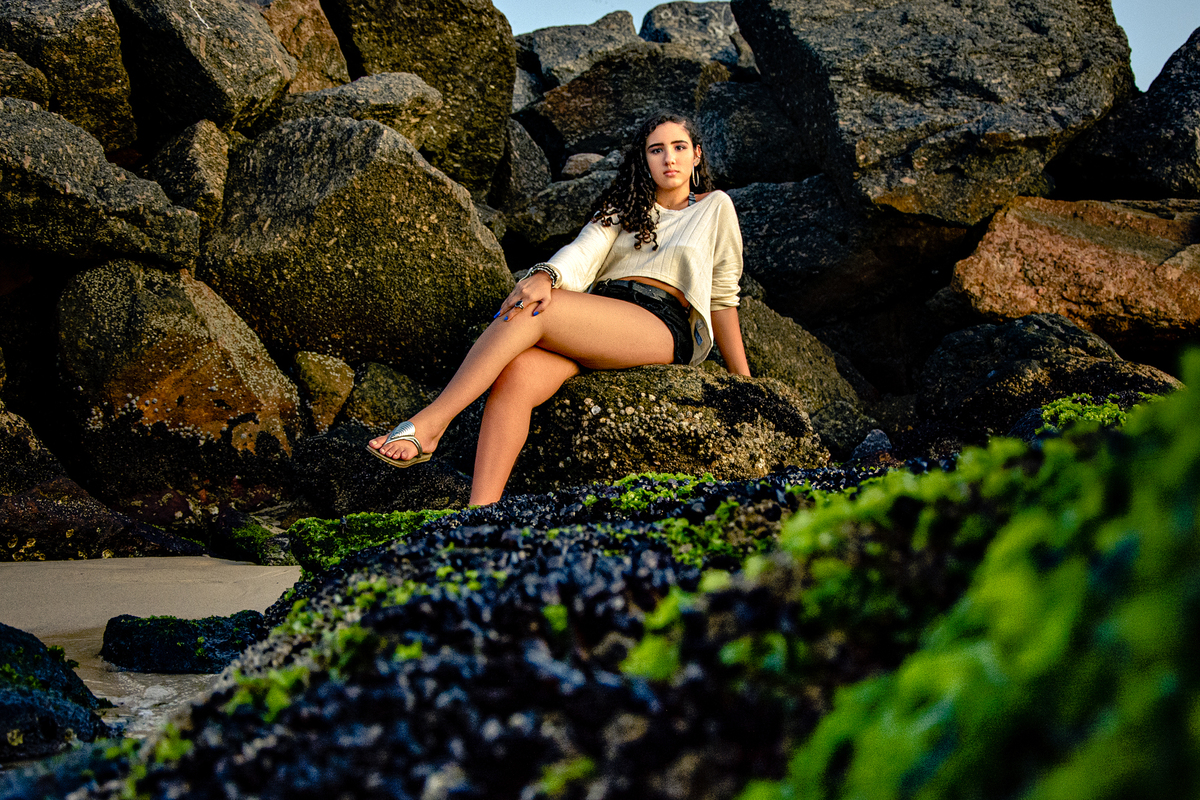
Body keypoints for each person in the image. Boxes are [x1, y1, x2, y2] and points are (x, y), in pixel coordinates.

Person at [367, 110, 751, 505]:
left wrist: (746, 382)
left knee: (537, 309)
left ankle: (431, 422)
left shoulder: (715, 207)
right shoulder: (624, 206)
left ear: (696, 155)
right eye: (657, 150)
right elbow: (583, 253)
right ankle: (479, 514)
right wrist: (547, 275)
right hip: (600, 316)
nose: (669, 158)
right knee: (516, 372)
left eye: (679, 147)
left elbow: (723, 298)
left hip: (658, 322)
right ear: (644, 159)